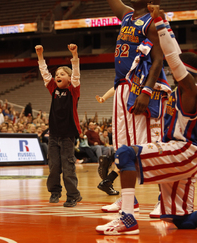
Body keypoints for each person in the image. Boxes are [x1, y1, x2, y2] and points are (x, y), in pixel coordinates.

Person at [96, 5, 197, 235]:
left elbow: (171, 56)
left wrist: (160, 23)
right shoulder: (175, 94)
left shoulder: (190, 89)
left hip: (186, 153)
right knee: (183, 221)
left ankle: (128, 219)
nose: (173, 73)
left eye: (179, 71)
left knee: (125, 153)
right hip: (184, 156)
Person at [96, 0, 171, 206]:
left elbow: (158, 59)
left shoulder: (152, 21)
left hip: (140, 87)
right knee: (122, 145)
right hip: (121, 87)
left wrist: (146, 91)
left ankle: (163, 198)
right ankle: (127, 199)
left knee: (149, 144)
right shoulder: (128, 15)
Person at [35, 43, 82, 207]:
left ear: (69, 78)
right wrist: (40, 56)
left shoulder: (73, 90)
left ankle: (73, 195)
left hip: (68, 135)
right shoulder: (53, 88)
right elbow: (44, 73)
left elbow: (76, 72)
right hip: (54, 135)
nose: (57, 76)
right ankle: (55, 192)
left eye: (62, 74)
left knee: (68, 167)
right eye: (57, 74)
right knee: (54, 166)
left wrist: (74, 56)